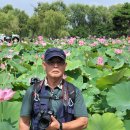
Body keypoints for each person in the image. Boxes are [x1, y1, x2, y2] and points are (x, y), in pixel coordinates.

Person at [19, 47, 88, 130]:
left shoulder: (73, 91)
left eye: (60, 62)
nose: (55, 66)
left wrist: (60, 126)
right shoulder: (32, 91)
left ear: (65, 66)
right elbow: (24, 122)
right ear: (44, 66)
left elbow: (83, 122)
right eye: (51, 62)